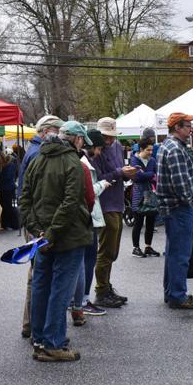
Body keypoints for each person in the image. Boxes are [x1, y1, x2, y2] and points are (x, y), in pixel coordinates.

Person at [20, 120, 94, 361]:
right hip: (66, 237)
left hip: (42, 236)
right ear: (77, 139)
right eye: (82, 139)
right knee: (61, 289)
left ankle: (40, 338)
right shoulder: (72, 162)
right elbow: (71, 202)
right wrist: (50, 234)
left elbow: (24, 198)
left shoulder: (37, 159)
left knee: (42, 285)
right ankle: (53, 342)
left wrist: (38, 230)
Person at [17, 115, 64, 339]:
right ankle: (34, 325)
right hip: (38, 224)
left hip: (34, 222)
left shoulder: (33, 151)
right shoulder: (39, 153)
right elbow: (33, 194)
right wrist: (37, 228)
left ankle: (31, 324)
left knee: (36, 273)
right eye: (57, 130)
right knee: (38, 275)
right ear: (46, 131)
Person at [157, 112, 193, 310]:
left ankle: (172, 293)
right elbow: (180, 183)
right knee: (180, 255)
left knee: (173, 252)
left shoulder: (167, 146)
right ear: (177, 127)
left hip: (173, 208)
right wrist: (191, 203)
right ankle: (177, 295)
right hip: (180, 207)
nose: (190, 129)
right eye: (187, 126)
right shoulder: (175, 149)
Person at [90, 116, 137, 308]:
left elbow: (115, 172)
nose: (109, 140)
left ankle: (106, 287)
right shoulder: (96, 151)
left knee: (113, 250)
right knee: (106, 250)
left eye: (111, 136)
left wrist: (127, 172)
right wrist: (120, 172)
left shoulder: (116, 146)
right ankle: (101, 291)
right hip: (105, 204)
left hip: (116, 202)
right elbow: (98, 178)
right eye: (106, 136)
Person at [73, 129, 110, 324]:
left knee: (85, 261)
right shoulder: (83, 163)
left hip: (86, 217)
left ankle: (80, 301)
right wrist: (103, 184)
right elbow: (88, 192)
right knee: (86, 261)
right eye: (99, 148)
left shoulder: (82, 161)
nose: (100, 153)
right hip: (88, 217)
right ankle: (82, 301)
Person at [129, 138, 159, 257]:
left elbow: (155, 175)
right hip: (139, 195)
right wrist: (150, 174)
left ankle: (148, 246)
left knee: (151, 223)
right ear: (141, 149)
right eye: (148, 150)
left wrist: (145, 174)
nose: (151, 152)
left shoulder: (152, 160)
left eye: (152, 150)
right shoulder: (134, 159)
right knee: (138, 223)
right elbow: (136, 177)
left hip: (151, 194)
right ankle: (135, 248)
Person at [0, 150, 19, 231]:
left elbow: (8, 177)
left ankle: (14, 224)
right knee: (5, 206)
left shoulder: (10, 165)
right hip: (4, 188)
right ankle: (6, 224)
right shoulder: (5, 165)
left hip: (8, 189)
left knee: (9, 206)